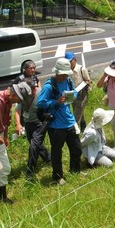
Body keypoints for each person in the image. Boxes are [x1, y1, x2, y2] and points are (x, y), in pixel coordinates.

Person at [37, 58, 83, 186]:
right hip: (56, 125)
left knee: (76, 148)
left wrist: (71, 95)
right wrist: (56, 101)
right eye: (62, 74)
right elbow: (40, 103)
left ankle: (75, 170)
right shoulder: (49, 86)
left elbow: (74, 92)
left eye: (66, 74)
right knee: (57, 152)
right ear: (57, 72)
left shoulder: (68, 80)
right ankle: (57, 177)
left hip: (69, 121)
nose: (64, 76)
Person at [13, 61, 50, 179]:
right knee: (34, 143)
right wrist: (18, 124)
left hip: (40, 123)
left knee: (33, 145)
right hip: (28, 123)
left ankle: (30, 170)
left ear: (33, 90)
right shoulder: (23, 94)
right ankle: (47, 158)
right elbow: (18, 110)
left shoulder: (41, 94)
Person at [65, 51, 92, 131]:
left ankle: (75, 131)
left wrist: (83, 86)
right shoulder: (66, 70)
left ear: (75, 60)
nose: (69, 63)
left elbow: (88, 80)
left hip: (82, 95)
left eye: (70, 61)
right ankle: (84, 127)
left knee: (76, 115)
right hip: (72, 95)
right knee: (79, 112)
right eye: (67, 62)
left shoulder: (81, 69)